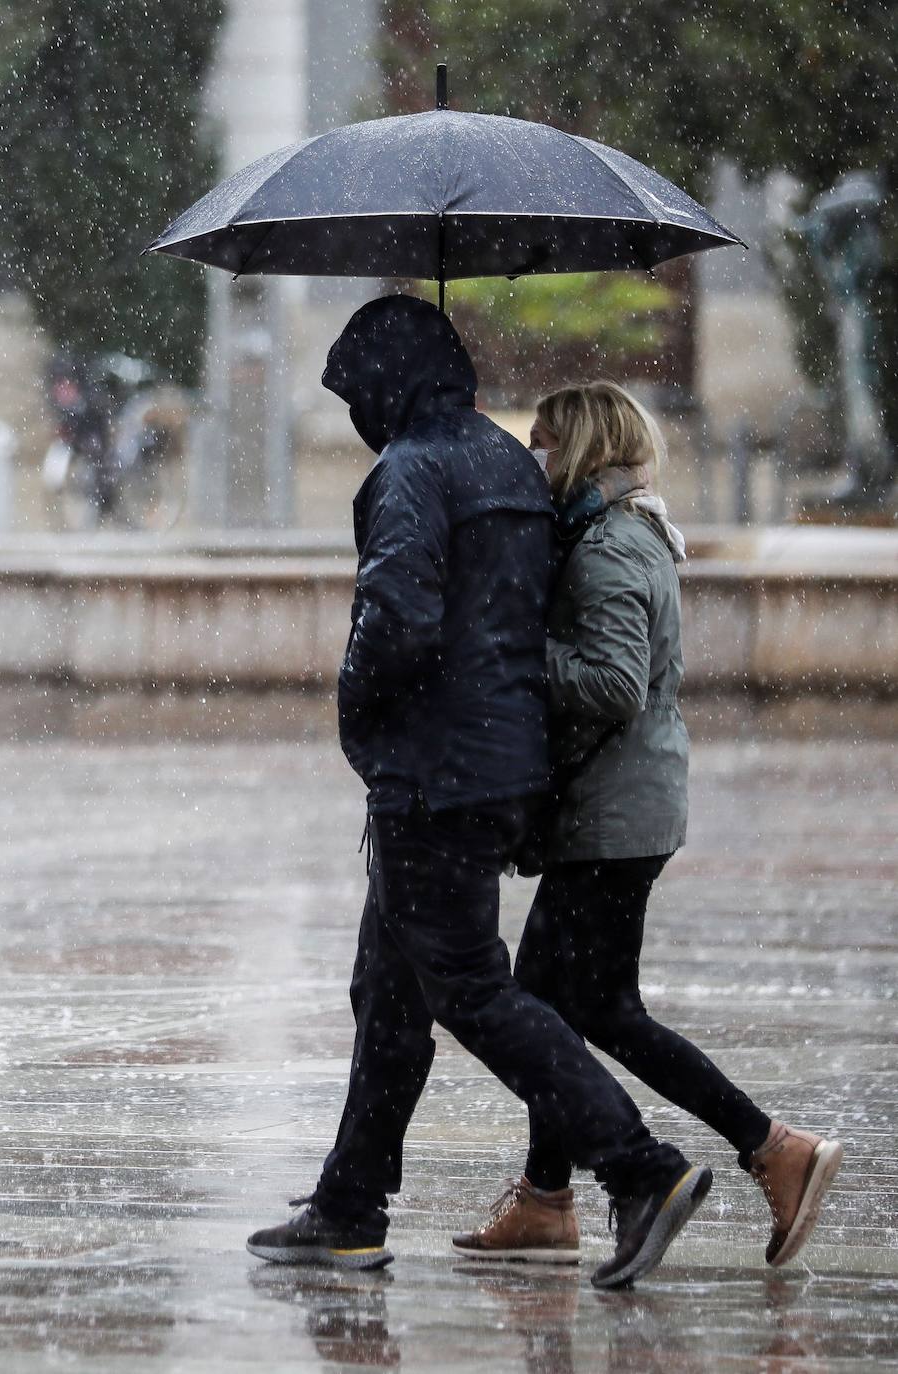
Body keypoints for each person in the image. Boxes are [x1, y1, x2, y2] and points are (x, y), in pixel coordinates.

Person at [246, 297, 712, 1290]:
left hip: (434, 774)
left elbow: (399, 619)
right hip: (501, 768)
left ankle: (639, 1169)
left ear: (387, 383)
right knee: (389, 989)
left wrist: (358, 719)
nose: (354, 413)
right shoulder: (505, 462)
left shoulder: (412, 470)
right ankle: (348, 1206)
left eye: (356, 392)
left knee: (467, 986)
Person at [452, 381, 843, 1269]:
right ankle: (546, 1200)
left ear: (584, 447)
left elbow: (615, 684)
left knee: (598, 1011)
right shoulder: (611, 532)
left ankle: (773, 1149)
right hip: (619, 809)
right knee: (555, 1006)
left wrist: (516, 652)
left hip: (615, 816)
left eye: (546, 442)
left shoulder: (613, 545)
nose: (534, 458)